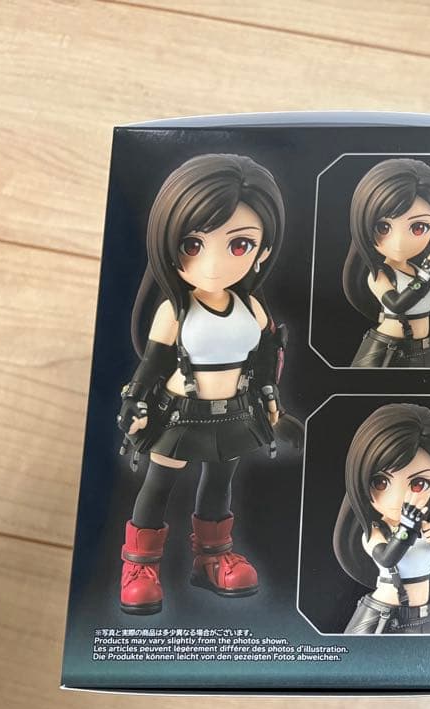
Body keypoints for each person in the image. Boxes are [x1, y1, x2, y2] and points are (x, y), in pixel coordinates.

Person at [116, 153, 289, 615]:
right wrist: (135, 403)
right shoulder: (176, 310)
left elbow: (265, 359)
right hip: (180, 411)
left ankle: (212, 558)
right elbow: (150, 366)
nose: (212, 264)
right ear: (169, 246)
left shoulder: (252, 308)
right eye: (193, 244)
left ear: (263, 250)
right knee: (159, 483)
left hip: (235, 410)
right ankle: (139, 566)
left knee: (219, 481)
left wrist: (270, 397)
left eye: (239, 244)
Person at [333, 403, 430, 633]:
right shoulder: (376, 531)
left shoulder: (427, 526)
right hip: (383, 620)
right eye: (381, 482)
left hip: (428, 617)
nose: (398, 498)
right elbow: (387, 558)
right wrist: (407, 527)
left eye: (418, 484)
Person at [342, 159, 430, 367]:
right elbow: (397, 304)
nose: (399, 243)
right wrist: (426, 277)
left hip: (427, 349)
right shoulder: (379, 274)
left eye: (418, 227)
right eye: (383, 227)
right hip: (387, 352)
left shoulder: (420, 268)